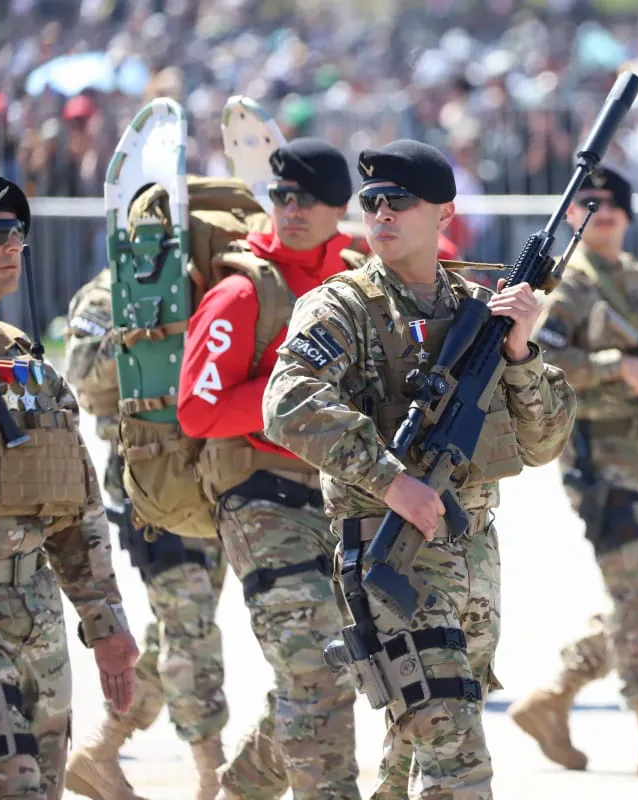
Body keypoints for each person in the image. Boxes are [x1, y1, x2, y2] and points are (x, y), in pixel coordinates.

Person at [261, 139, 575, 797]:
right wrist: (390, 479)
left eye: (398, 202)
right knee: (457, 760)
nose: (380, 214)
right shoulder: (342, 306)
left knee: (410, 752)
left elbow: (542, 442)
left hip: (471, 555)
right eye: (371, 202)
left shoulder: (478, 314)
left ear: (444, 215)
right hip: (391, 550)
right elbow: (287, 402)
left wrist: (520, 354)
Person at [508, 164, 638, 779]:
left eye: (612, 204)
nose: (601, 212)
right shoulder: (565, 288)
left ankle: (553, 697)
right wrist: (611, 366)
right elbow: (534, 360)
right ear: (572, 215)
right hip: (599, 454)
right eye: (588, 203)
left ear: (628, 214)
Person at [175, 139, 362, 799]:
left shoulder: (355, 277)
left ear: (341, 207)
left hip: (340, 493)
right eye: (281, 196)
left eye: (308, 198)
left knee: (336, 667)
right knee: (317, 675)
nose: (291, 209)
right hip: (257, 491)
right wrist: (293, 396)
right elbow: (197, 412)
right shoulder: (241, 291)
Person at [0, 175, 139, 798]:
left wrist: (105, 624)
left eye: (17, 234)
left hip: (38, 631)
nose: (11, 246)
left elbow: (74, 510)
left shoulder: (24, 366)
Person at [63, 268, 230, 799]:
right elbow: (81, 371)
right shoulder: (111, 292)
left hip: (214, 483)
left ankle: (100, 751)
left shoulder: (214, 270)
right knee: (192, 628)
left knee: (177, 632)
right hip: (151, 487)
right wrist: (145, 334)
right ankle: (216, 779)